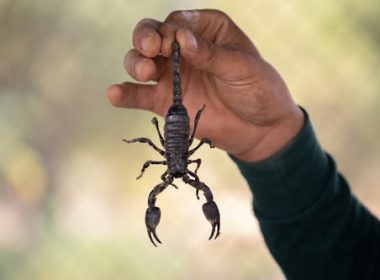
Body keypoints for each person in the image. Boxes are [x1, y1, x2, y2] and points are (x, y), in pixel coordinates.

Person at [107, 9, 380, 279]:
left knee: (157, 192)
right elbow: (348, 262)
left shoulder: (173, 170)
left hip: (175, 126)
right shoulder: (191, 167)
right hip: (182, 127)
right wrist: (272, 141)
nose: (180, 177)